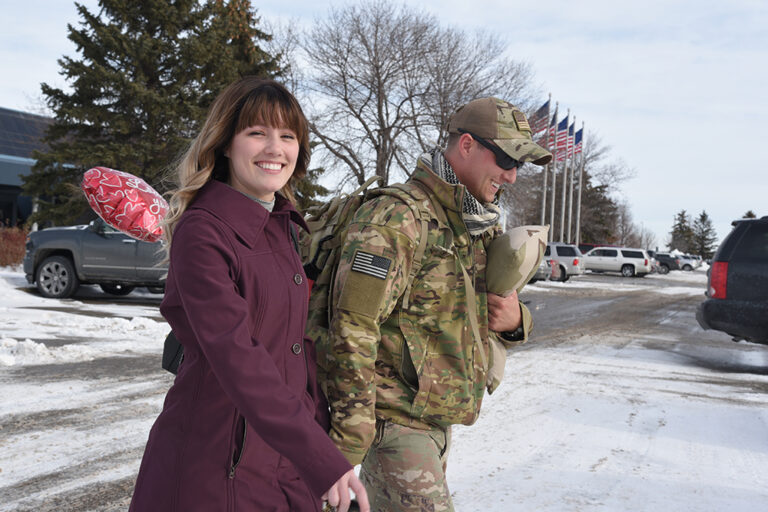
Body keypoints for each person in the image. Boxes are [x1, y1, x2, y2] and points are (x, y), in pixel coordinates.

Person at [129, 77, 369, 512]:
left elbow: (295, 352)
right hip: (217, 463)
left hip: (281, 462)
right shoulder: (203, 233)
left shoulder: (283, 227)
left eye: (288, 135)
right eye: (257, 132)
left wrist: (322, 445)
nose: (274, 148)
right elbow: (237, 356)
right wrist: (317, 457)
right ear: (224, 143)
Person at [322, 97, 552, 510]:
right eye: (505, 159)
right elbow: (353, 329)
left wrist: (517, 321)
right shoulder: (396, 217)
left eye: (520, 164)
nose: (513, 176)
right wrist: (347, 445)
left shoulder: (473, 223)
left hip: (435, 426)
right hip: (393, 426)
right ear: (466, 145)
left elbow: (477, 314)